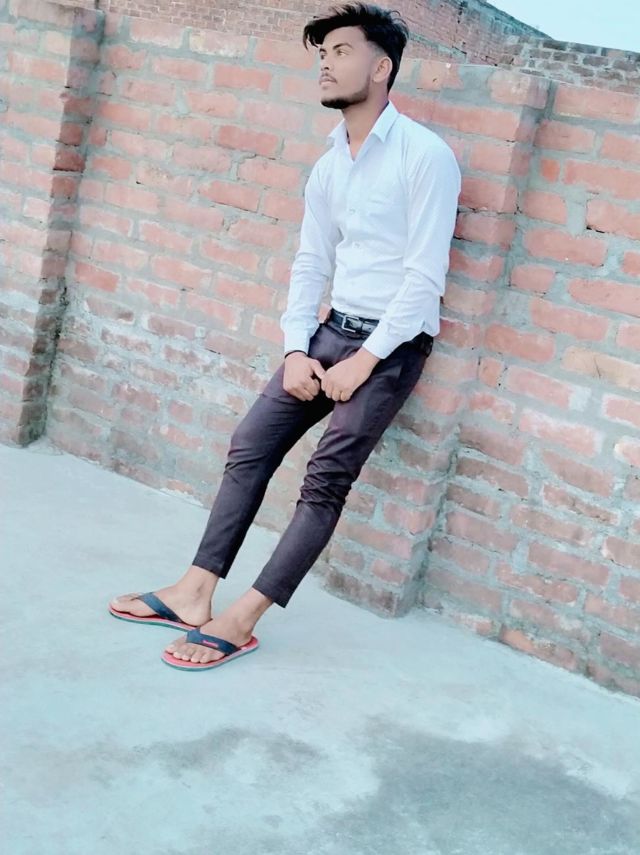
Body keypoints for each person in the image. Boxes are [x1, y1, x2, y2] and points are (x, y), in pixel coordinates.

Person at [109, 2, 462, 671]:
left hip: (391, 348)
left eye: (341, 51)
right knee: (250, 445)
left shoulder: (425, 157)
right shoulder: (331, 164)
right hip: (331, 332)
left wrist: (365, 360)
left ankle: (243, 618)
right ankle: (194, 591)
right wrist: (296, 348)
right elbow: (310, 263)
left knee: (325, 479)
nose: (326, 64)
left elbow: (424, 279)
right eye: (322, 53)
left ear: (381, 67)